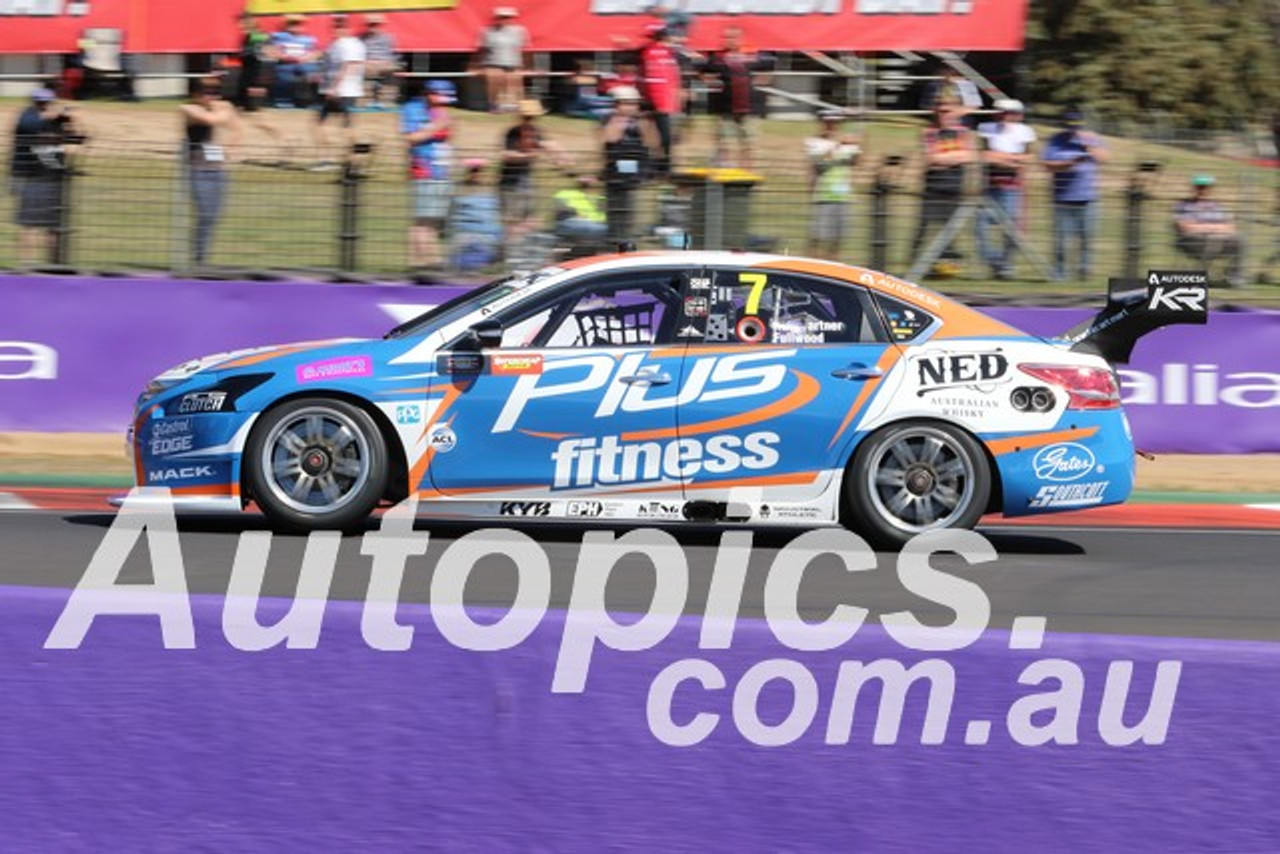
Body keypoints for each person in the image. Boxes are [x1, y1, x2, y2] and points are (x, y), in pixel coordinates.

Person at [10, 87, 81, 265]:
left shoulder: (47, 121)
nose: (45, 106)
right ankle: (28, 264)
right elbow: (33, 128)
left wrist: (68, 122)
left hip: (50, 177)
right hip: (31, 176)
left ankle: (53, 264)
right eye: (43, 103)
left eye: (47, 103)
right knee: (31, 225)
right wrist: (55, 120)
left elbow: (74, 138)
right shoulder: (28, 118)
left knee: (52, 225)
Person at [910, 99, 976, 276]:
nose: (943, 115)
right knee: (923, 229)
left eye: (947, 111)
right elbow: (931, 159)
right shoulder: (929, 133)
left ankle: (945, 267)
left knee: (950, 231)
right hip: (932, 187)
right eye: (940, 111)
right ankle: (915, 266)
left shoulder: (962, 133)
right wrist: (953, 158)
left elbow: (968, 156)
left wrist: (944, 158)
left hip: (954, 188)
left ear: (956, 113)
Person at [1041, 109, 1107, 281]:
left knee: (1087, 239)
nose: (1073, 129)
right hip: (1063, 199)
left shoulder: (1092, 139)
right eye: (1069, 126)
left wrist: (1089, 146)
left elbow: (1105, 159)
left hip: (1087, 199)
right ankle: (1060, 275)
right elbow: (1047, 165)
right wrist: (1068, 164)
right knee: (1061, 241)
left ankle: (1084, 274)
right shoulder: (1055, 140)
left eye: (1076, 126)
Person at [181, 77, 240, 267]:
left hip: (218, 168)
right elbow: (211, 119)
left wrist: (229, 150)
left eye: (216, 92)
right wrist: (222, 109)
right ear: (195, 95)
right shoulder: (187, 109)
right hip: (197, 169)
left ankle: (201, 257)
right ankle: (199, 258)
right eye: (208, 93)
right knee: (205, 213)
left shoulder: (223, 106)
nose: (213, 96)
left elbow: (238, 129)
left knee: (214, 216)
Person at [976, 98, 1036, 279]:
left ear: (1017, 115)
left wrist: (1001, 158)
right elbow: (985, 156)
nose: (1004, 116)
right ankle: (996, 263)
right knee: (980, 227)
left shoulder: (1025, 131)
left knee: (1012, 229)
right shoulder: (986, 129)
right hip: (991, 187)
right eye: (1001, 112)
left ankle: (1006, 265)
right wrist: (1011, 159)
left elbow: (1028, 158)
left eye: (1009, 113)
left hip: (1012, 188)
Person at [402, 79, 456, 277]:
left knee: (433, 221)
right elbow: (410, 138)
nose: (445, 102)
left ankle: (433, 260)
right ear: (430, 94)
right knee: (422, 220)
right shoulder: (412, 109)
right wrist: (436, 126)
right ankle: (418, 263)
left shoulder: (443, 112)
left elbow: (447, 140)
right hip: (425, 170)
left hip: (442, 171)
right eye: (441, 97)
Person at [699, 27, 767, 168]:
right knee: (724, 140)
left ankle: (746, 170)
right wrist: (710, 83)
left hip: (749, 106)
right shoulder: (717, 58)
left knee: (748, 141)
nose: (729, 41)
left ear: (741, 39)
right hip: (725, 107)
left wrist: (758, 82)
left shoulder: (751, 56)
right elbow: (702, 71)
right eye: (726, 37)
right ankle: (725, 167)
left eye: (733, 37)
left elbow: (767, 71)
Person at [498, 99, 563, 246]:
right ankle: (511, 251)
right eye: (527, 117)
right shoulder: (513, 133)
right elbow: (506, 155)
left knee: (531, 220)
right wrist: (526, 156)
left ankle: (522, 247)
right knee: (512, 222)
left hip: (526, 181)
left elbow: (549, 145)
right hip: (510, 183)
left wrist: (561, 158)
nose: (530, 120)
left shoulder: (535, 131)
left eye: (532, 117)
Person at [602, 85, 659, 245]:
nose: (630, 107)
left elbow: (652, 143)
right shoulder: (610, 120)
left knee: (630, 208)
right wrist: (620, 120)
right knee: (616, 208)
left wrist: (646, 123)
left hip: (635, 171)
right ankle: (616, 238)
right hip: (615, 172)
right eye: (625, 103)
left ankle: (628, 238)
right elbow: (610, 139)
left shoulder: (642, 121)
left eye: (633, 104)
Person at [804, 109, 860, 260]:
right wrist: (838, 144)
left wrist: (860, 143)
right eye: (828, 122)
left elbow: (856, 162)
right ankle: (811, 267)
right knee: (817, 237)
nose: (831, 126)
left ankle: (832, 271)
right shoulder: (815, 142)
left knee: (837, 239)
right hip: (823, 196)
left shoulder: (847, 143)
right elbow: (820, 163)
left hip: (843, 196)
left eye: (835, 122)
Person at [1174, 175, 1244, 286]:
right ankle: (1200, 275)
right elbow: (1185, 227)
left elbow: (1231, 227)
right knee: (1211, 238)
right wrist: (1214, 228)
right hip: (1191, 242)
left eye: (1205, 187)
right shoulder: (1184, 205)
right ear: (1194, 188)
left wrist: (1205, 227)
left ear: (1210, 189)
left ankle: (1233, 275)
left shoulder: (1217, 206)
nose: (1202, 190)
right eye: (1200, 187)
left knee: (1240, 239)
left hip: (1218, 241)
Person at [314, 15, 366, 159]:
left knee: (345, 127)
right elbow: (330, 63)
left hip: (343, 92)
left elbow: (350, 65)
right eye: (336, 26)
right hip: (337, 90)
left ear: (349, 28)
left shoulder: (349, 44)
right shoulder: (337, 44)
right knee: (323, 124)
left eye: (341, 26)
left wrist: (335, 88)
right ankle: (332, 158)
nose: (337, 29)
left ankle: (353, 159)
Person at [639, 23, 681, 178]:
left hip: (663, 100)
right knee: (662, 136)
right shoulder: (655, 53)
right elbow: (654, 78)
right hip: (659, 101)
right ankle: (661, 167)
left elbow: (673, 77)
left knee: (661, 136)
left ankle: (661, 166)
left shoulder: (667, 53)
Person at [447, 158, 503, 272]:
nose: (476, 174)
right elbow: (452, 217)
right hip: (465, 235)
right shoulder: (459, 191)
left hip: (486, 236)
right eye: (473, 171)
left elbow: (496, 219)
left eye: (479, 171)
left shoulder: (492, 192)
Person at [477, 7, 528, 114]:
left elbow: (524, 49)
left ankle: (513, 105)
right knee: (494, 79)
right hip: (492, 62)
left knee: (514, 81)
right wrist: (479, 66)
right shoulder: (487, 31)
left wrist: (526, 66)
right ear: (496, 18)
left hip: (513, 63)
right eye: (502, 17)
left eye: (508, 17)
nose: (505, 19)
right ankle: (494, 104)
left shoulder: (520, 31)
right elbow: (482, 50)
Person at [269, 14, 321, 107]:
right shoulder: (280, 37)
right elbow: (275, 51)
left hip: (304, 63)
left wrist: (305, 58)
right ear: (287, 25)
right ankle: (283, 100)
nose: (295, 27)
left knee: (313, 73)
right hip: (286, 63)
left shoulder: (308, 39)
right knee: (284, 75)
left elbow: (315, 52)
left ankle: (313, 101)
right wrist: (286, 57)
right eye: (292, 24)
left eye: (298, 24)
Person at [553, 171, 608, 251]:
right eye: (584, 177)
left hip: (594, 228)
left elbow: (603, 216)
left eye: (591, 177)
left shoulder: (600, 197)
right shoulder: (565, 193)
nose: (587, 180)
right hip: (573, 225)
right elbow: (562, 212)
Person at [360, 14, 399, 109]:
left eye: (375, 24)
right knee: (362, 69)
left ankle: (385, 101)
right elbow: (359, 54)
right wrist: (367, 62)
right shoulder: (361, 38)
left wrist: (384, 62)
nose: (373, 27)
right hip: (367, 64)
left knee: (390, 70)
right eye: (371, 25)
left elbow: (392, 54)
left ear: (380, 25)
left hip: (383, 63)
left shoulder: (388, 37)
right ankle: (367, 101)